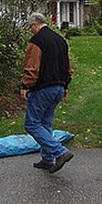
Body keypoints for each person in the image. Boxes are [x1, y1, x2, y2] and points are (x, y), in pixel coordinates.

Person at [20, 12, 74, 173]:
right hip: (58, 88)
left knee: (32, 124)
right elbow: (68, 68)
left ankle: (60, 152)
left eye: (31, 28)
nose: (31, 31)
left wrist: (25, 85)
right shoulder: (61, 40)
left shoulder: (37, 41)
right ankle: (48, 159)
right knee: (45, 124)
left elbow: (33, 67)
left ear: (34, 25)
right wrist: (65, 86)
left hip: (43, 88)